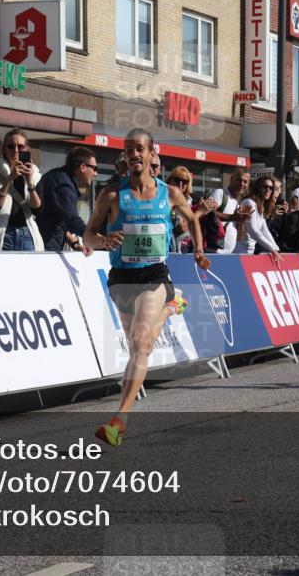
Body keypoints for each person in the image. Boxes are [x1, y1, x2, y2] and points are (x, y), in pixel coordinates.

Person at [83, 129, 209, 446]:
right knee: (143, 346)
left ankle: (119, 421)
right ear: (125, 156)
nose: (134, 154)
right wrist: (102, 240)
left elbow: (193, 219)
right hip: (122, 278)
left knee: (139, 342)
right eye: (129, 150)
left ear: (153, 154)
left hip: (154, 274)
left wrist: (199, 249)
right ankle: (172, 307)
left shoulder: (169, 195)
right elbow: (87, 236)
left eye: (140, 149)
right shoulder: (111, 195)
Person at [0, 129, 44, 251]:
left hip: (27, 235)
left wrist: (29, 182)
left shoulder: (35, 176)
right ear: (4, 149)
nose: (16, 150)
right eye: (11, 146)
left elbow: (38, 210)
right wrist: (9, 179)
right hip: (0, 236)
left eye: (20, 146)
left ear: (27, 149)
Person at [36, 146, 98, 252]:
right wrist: (97, 238)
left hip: (45, 243)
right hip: (46, 247)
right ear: (83, 167)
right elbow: (72, 221)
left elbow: (59, 220)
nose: (96, 173)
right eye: (94, 168)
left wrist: (74, 243)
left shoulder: (57, 176)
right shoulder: (64, 186)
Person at [231, 177, 284, 261]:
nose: (268, 190)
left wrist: (276, 248)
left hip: (249, 252)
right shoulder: (249, 203)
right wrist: (272, 248)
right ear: (258, 187)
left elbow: (264, 229)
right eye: (265, 186)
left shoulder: (260, 205)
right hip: (239, 251)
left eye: (271, 188)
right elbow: (253, 231)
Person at [208, 169, 253, 254]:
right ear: (231, 179)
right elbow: (207, 212)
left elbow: (240, 237)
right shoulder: (220, 193)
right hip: (213, 252)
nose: (242, 184)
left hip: (228, 255)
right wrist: (232, 217)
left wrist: (242, 221)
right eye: (239, 180)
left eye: (245, 181)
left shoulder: (238, 204)